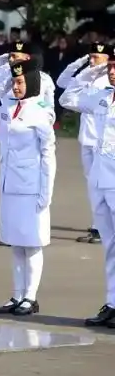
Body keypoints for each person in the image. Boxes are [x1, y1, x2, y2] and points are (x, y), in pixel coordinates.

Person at [0, 58, 56, 316]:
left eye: (21, 82)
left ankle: (30, 297)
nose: (16, 86)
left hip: (32, 186)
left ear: (32, 82)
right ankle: (17, 294)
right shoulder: (8, 106)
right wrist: (1, 89)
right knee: (15, 243)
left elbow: (48, 154)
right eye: (14, 81)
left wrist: (46, 192)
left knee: (32, 243)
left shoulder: (41, 110)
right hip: (9, 183)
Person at [58, 51, 115, 327]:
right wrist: (93, 71)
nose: (113, 72)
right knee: (110, 245)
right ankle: (113, 303)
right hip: (101, 179)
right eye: (112, 67)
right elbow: (66, 97)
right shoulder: (102, 96)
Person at [56, 42, 111, 245]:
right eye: (91, 56)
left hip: (102, 142)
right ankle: (98, 223)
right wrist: (82, 63)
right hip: (86, 138)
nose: (93, 60)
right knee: (93, 185)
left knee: (102, 186)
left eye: (98, 57)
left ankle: (100, 227)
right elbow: (62, 82)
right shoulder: (86, 76)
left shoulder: (108, 80)